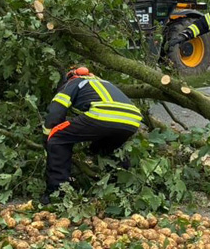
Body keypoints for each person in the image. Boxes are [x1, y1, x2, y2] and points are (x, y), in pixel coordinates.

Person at [42, 67, 142, 203]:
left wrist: (46, 138)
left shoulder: (72, 83)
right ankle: (121, 185)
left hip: (103, 114)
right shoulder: (104, 83)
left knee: (58, 137)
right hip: (132, 120)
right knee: (103, 148)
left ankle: (56, 193)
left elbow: (56, 113)